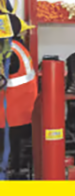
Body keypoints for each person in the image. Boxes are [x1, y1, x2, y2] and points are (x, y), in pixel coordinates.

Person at [0, 38, 38, 177]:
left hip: (8, 118)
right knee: (16, 167)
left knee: (8, 168)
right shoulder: (17, 45)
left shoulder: (6, 52)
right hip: (23, 114)